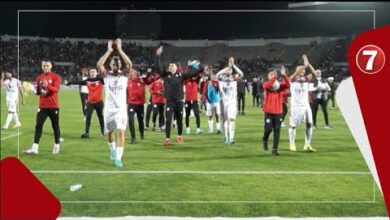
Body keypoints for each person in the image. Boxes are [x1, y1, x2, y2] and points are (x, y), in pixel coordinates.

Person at [155, 46, 204, 147]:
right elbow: (158, 67)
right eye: (170, 66)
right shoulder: (165, 75)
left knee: (179, 119)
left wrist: (200, 67)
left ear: (176, 68)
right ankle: (167, 139)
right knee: (168, 120)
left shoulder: (181, 75)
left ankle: (179, 136)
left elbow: (192, 73)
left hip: (179, 101)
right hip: (169, 101)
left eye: (172, 66)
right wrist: (158, 55)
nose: (170, 67)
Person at [97, 38, 130, 167]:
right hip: (109, 110)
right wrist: (109, 51)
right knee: (109, 133)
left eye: (117, 64)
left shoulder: (124, 74)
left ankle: (118, 158)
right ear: (110, 65)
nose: (115, 65)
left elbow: (130, 64)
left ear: (120, 65)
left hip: (121, 109)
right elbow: (99, 64)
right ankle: (113, 150)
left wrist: (120, 50)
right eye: (113, 64)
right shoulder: (106, 75)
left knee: (121, 132)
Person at [24, 60, 62, 155]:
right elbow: (38, 92)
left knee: (55, 126)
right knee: (38, 126)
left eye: (47, 65)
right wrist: (31, 89)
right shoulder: (39, 77)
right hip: (42, 106)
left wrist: (48, 85)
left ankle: (57, 145)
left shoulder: (56, 77)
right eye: (43, 65)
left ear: (51, 66)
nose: (45, 67)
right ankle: (35, 148)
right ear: (42, 66)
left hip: (53, 106)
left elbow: (56, 90)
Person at [288, 54, 318, 152]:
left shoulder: (305, 79)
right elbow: (294, 75)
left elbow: (314, 74)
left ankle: (307, 144)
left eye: (304, 70)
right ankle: (292, 144)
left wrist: (308, 64)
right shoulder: (291, 79)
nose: (304, 71)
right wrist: (302, 67)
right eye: (301, 70)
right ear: (297, 71)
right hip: (296, 106)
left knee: (310, 124)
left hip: (306, 106)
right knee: (293, 126)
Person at [66, 68, 105, 138]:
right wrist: (70, 83)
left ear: (96, 73)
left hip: (99, 102)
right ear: (89, 73)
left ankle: (103, 131)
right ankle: (86, 133)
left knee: (101, 117)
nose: (92, 73)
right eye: (91, 72)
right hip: (90, 103)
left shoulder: (101, 80)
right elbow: (79, 82)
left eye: (94, 72)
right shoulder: (87, 81)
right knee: (88, 117)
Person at [262, 66, 290, 156]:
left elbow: (288, 85)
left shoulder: (279, 87)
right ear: (268, 77)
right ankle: (265, 140)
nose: (273, 76)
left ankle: (274, 149)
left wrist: (284, 75)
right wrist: (274, 77)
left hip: (278, 112)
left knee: (277, 131)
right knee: (268, 129)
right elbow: (268, 85)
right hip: (269, 112)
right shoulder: (266, 84)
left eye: (273, 75)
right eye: (271, 75)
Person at [216, 57, 244, 144]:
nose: (229, 70)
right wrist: (226, 68)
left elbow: (241, 74)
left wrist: (233, 65)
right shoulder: (222, 78)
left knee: (231, 119)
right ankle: (225, 137)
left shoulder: (234, 78)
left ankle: (231, 138)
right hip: (223, 102)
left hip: (232, 102)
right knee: (224, 120)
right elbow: (217, 75)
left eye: (230, 69)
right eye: (228, 69)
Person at [126, 68, 158, 144]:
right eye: (129, 72)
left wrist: (149, 73)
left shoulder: (142, 80)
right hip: (131, 104)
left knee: (140, 120)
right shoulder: (127, 81)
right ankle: (133, 137)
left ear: (136, 73)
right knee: (130, 120)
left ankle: (142, 133)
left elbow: (150, 80)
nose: (130, 74)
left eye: (132, 72)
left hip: (140, 104)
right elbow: (126, 92)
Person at [184, 62, 203, 135]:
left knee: (197, 114)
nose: (193, 77)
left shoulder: (196, 82)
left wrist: (198, 65)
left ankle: (198, 129)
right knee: (187, 115)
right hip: (187, 100)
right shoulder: (186, 81)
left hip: (194, 101)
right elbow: (185, 74)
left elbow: (199, 73)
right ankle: (187, 128)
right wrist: (189, 66)